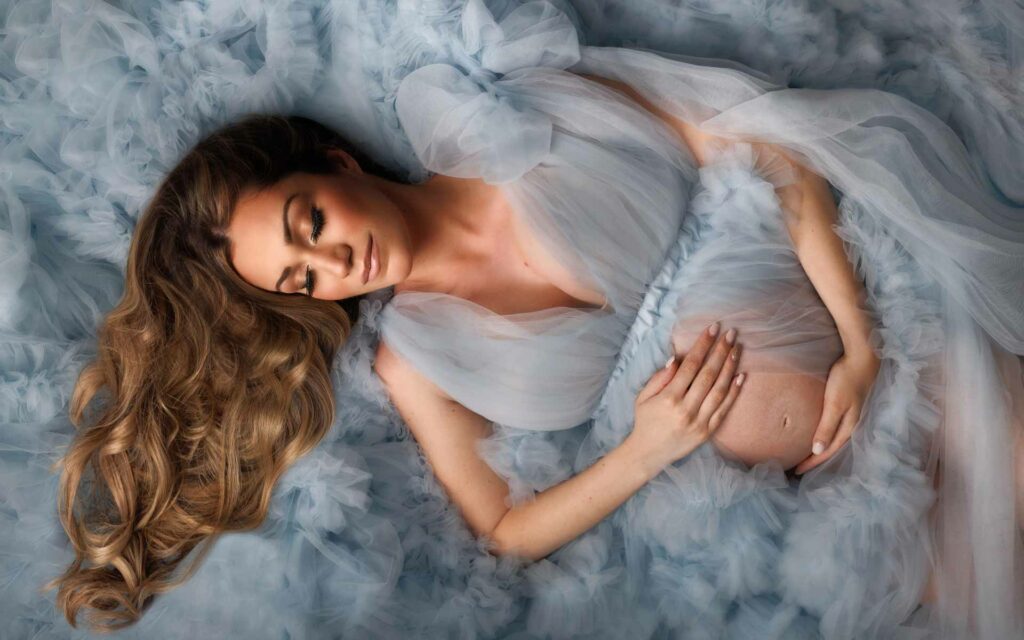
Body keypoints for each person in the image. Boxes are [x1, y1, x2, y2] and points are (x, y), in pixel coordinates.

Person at [44, 1, 1024, 638]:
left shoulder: (515, 121)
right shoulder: (412, 361)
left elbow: (768, 145)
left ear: (333, 166)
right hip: (835, 526)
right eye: (300, 280)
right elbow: (506, 530)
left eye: (309, 222)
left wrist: (857, 348)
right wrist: (645, 449)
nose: (332, 263)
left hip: (907, 361)